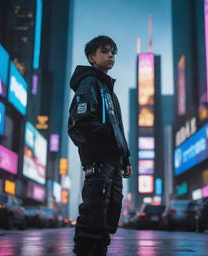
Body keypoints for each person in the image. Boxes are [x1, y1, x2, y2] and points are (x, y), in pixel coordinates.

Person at [68, 35, 132, 256]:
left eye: (113, 51)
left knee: (107, 217)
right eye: (104, 51)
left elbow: (118, 127)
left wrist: (125, 158)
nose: (111, 55)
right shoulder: (89, 83)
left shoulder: (109, 90)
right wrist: (104, 141)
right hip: (98, 158)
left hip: (113, 161)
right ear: (91, 58)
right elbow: (80, 122)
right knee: (94, 212)